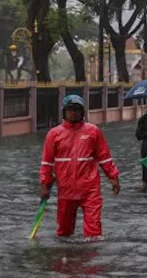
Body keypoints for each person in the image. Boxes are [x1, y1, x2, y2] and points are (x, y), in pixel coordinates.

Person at [40, 94, 121, 240]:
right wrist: (44, 184)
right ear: (64, 111)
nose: (74, 112)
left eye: (77, 109)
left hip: (90, 190)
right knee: (64, 233)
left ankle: (92, 259)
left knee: (94, 233)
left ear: (82, 112)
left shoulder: (93, 131)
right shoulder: (54, 134)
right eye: (70, 109)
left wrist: (113, 177)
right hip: (65, 190)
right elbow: (47, 163)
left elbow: (104, 158)